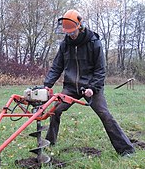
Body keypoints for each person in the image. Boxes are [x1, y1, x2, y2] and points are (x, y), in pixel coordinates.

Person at [44, 9, 135, 156]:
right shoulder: (65, 45)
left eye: (72, 32)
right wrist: (47, 84)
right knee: (55, 110)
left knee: (104, 114)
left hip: (91, 86)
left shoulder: (94, 43)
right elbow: (57, 67)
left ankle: (126, 149)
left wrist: (92, 88)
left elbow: (100, 70)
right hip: (71, 87)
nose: (70, 35)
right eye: (67, 33)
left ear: (80, 26)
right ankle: (49, 142)